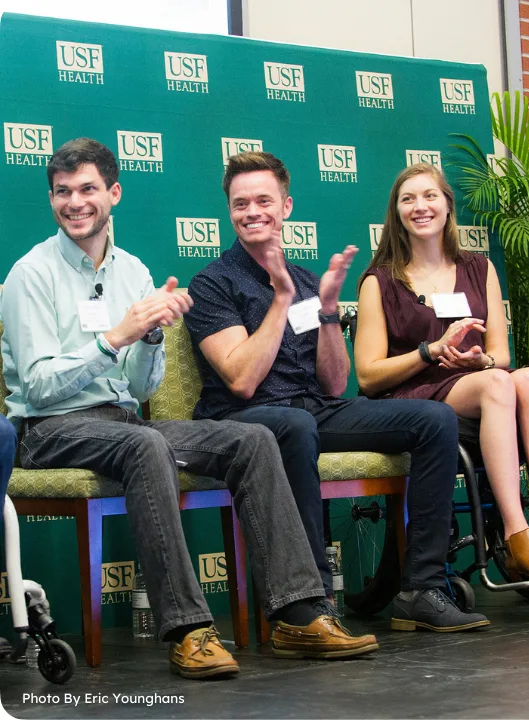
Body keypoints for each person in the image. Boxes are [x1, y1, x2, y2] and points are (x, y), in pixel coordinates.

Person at [0, 138, 379, 676]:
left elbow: (140, 387)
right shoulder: (30, 275)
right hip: (46, 429)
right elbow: (37, 387)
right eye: (62, 192)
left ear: (114, 193)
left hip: (120, 419)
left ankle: (298, 615)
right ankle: (188, 629)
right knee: (146, 441)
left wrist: (150, 340)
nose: (74, 202)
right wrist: (115, 337)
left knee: (252, 439)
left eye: (87, 189)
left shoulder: (132, 270)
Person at [185, 151, 490, 633]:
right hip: (242, 419)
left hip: (313, 410)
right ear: (230, 211)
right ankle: (314, 600)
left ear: (287, 206)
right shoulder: (212, 284)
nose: (253, 212)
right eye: (241, 204)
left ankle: (421, 589)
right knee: (294, 424)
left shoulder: (309, 281)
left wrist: (327, 312)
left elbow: (333, 383)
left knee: (435, 421)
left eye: (264, 200)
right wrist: (281, 300)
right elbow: (241, 380)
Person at [354, 163, 529, 578]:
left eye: (430, 196)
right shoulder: (381, 281)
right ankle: (518, 536)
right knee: (498, 384)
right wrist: (430, 352)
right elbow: (368, 375)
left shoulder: (479, 269)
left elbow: (501, 355)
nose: (420, 206)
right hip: (414, 397)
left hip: (477, 383)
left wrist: (479, 361)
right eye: (408, 199)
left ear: (447, 206)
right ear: (396, 213)